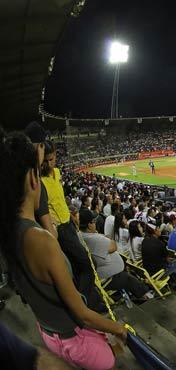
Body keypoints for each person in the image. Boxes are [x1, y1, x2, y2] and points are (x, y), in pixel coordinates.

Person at [0, 131, 126, 369]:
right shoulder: (41, 240)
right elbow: (83, 314)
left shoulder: (8, 231)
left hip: (49, 334)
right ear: (33, 180)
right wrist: (118, 329)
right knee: (112, 357)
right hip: (75, 339)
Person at [40, 141, 104, 312]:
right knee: (87, 263)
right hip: (58, 229)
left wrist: (71, 217)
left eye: (52, 159)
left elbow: (59, 200)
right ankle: (83, 305)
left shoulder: (56, 173)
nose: (49, 163)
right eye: (46, 160)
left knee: (79, 265)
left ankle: (89, 300)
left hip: (68, 223)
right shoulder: (39, 182)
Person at [79, 208, 153, 301]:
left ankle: (137, 292)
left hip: (106, 272)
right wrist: (104, 238)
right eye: (93, 222)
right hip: (107, 279)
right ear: (89, 225)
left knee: (128, 276)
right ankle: (145, 295)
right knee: (128, 278)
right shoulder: (94, 238)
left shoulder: (81, 235)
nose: (95, 224)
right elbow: (113, 246)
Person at [141, 224, 176, 291]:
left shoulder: (144, 241)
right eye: (158, 228)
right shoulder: (160, 244)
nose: (159, 230)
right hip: (158, 273)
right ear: (154, 231)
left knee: (173, 261)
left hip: (148, 271)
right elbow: (168, 261)